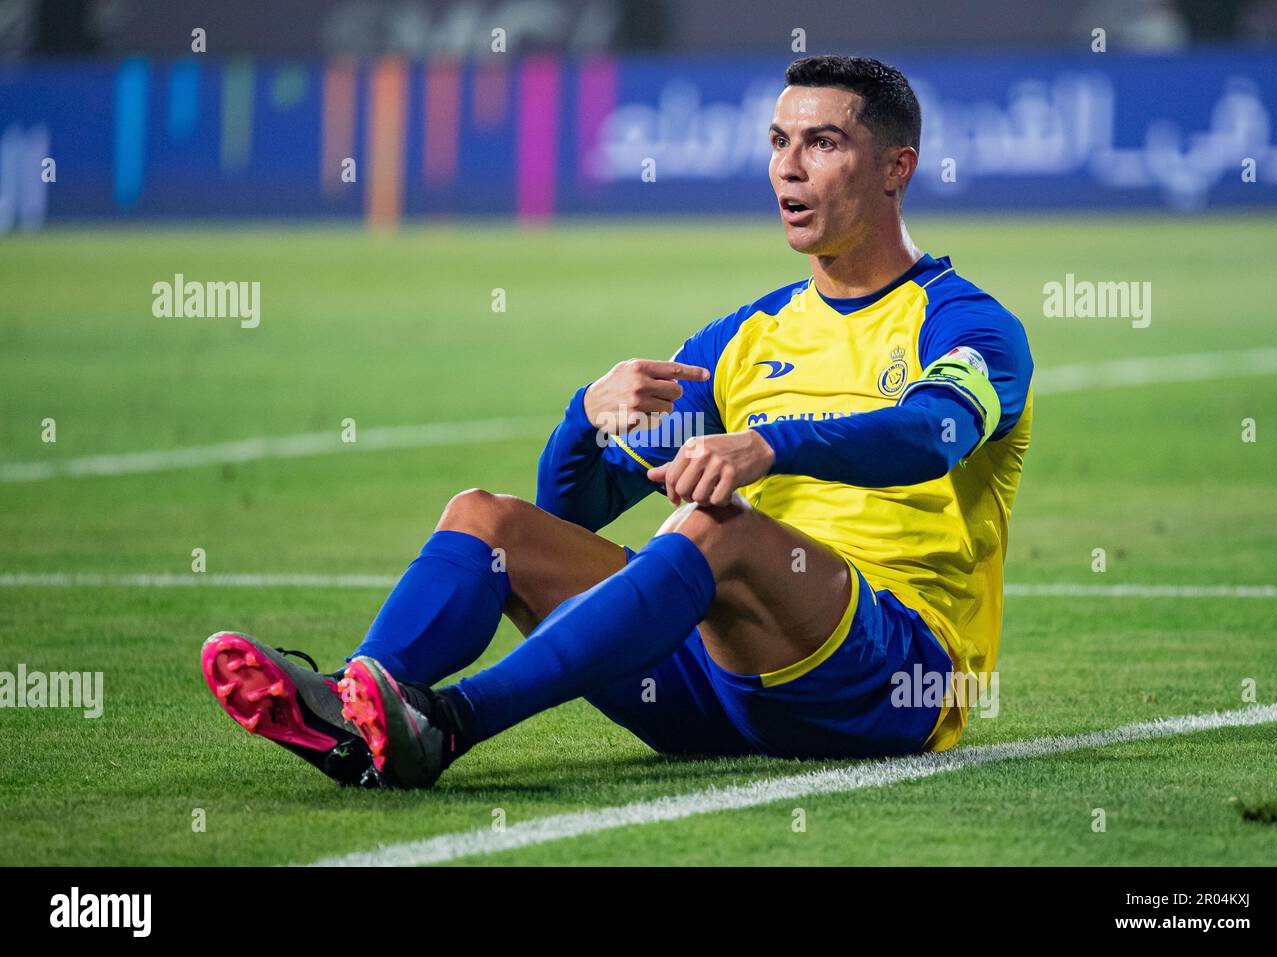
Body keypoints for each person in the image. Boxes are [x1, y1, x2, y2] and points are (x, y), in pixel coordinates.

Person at [201, 54, 1033, 789]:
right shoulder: (748, 338)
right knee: (487, 521)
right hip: (723, 681)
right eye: (778, 143)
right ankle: (356, 706)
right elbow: (573, 510)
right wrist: (584, 419)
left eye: (822, 144)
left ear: (897, 167)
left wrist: (770, 444)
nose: (790, 169)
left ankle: (448, 722)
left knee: (719, 528)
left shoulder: (968, 326)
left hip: (890, 679)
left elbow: (933, 435)